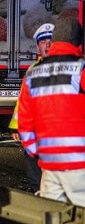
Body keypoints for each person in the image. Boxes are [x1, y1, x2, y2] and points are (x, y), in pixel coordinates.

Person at [18, 18, 85, 207]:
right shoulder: (81, 69)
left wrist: (37, 154)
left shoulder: (33, 73)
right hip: (79, 165)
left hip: (48, 166)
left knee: (52, 222)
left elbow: (24, 122)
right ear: (79, 43)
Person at [8, 23, 53, 193]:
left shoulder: (68, 67)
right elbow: (23, 101)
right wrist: (16, 125)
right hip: (35, 132)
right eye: (43, 42)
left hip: (55, 133)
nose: (47, 45)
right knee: (36, 180)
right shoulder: (32, 71)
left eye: (51, 41)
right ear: (37, 46)